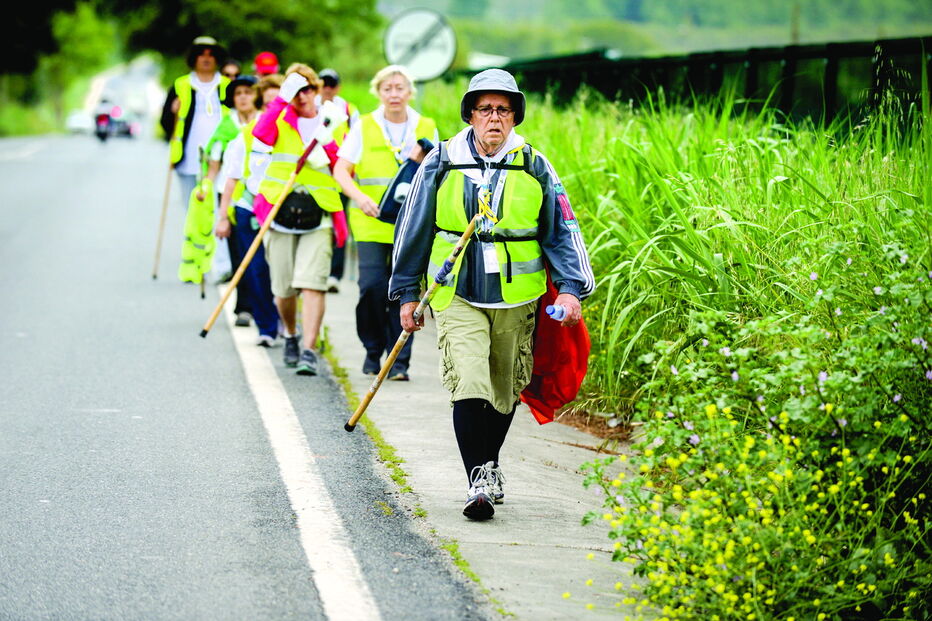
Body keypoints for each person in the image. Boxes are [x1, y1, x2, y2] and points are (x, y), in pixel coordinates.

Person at [389, 69, 595, 520]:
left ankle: (488, 464)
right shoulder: (442, 160)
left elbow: (562, 230)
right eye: (485, 109)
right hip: (456, 291)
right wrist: (407, 292)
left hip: (517, 295)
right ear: (470, 114)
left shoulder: (535, 164)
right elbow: (412, 227)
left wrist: (573, 288)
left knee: (505, 390)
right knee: (469, 380)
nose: (494, 118)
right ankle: (478, 482)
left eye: (503, 109)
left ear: (515, 116)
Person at [333, 65, 438, 381]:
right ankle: (372, 348)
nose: (394, 94)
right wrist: (359, 197)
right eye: (387, 88)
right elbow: (341, 170)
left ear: (410, 92)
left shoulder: (426, 126)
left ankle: (399, 362)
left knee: (405, 291)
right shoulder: (363, 126)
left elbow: (435, 174)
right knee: (372, 288)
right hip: (370, 221)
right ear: (378, 92)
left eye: (400, 88)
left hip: (410, 224)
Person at [252, 64, 348, 375]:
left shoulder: (333, 119)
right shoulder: (279, 116)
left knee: (313, 284)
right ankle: (290, 335)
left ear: (316, 90)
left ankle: (309, 349)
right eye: (297, 90)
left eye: (308, 88)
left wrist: (328, 145)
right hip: (279, 212)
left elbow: (346, 166)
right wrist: (281, 99)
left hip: (318, 214)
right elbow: (261, 136)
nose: (303, 96)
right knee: (283, 288)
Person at [216, 74, 283, 347]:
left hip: (283, 212)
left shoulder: (292, 134)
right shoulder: (245, 136)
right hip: (249, 210)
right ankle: (267, 327)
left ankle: (287, 323)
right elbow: (230, 178)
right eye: (266, 104)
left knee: (282, 273)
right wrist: (223, 217)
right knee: (255, 270)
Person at [203, 75, 259, 320]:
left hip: (261, 196)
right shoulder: (226, 127)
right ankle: (244, 307)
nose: (244, 97)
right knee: (239, 254)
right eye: (238, 93)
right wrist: (205, 187)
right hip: (231, 197)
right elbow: (214, 164)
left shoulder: (266, 123)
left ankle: (266, 308)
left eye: (248, 92)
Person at [160, 36, 230, 209]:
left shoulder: (228, 85)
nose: (206, 59)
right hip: (188, 157)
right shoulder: (181, 85)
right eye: (201, 54)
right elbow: (166, 122)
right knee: (191, 207)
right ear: (194, 58)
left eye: (211, 54)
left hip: (221, 157)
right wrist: (172, 112)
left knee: (216, 206)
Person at [314, 68, 359, 295]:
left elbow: (357, 140)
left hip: (340, 174)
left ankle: (334, 274)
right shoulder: (311, 105)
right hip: (317, 172)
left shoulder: (348, 110)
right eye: (324, 84)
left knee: (338, 224)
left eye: (332, 84)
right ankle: (317, 271)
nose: (328, 88)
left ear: (338, 87)